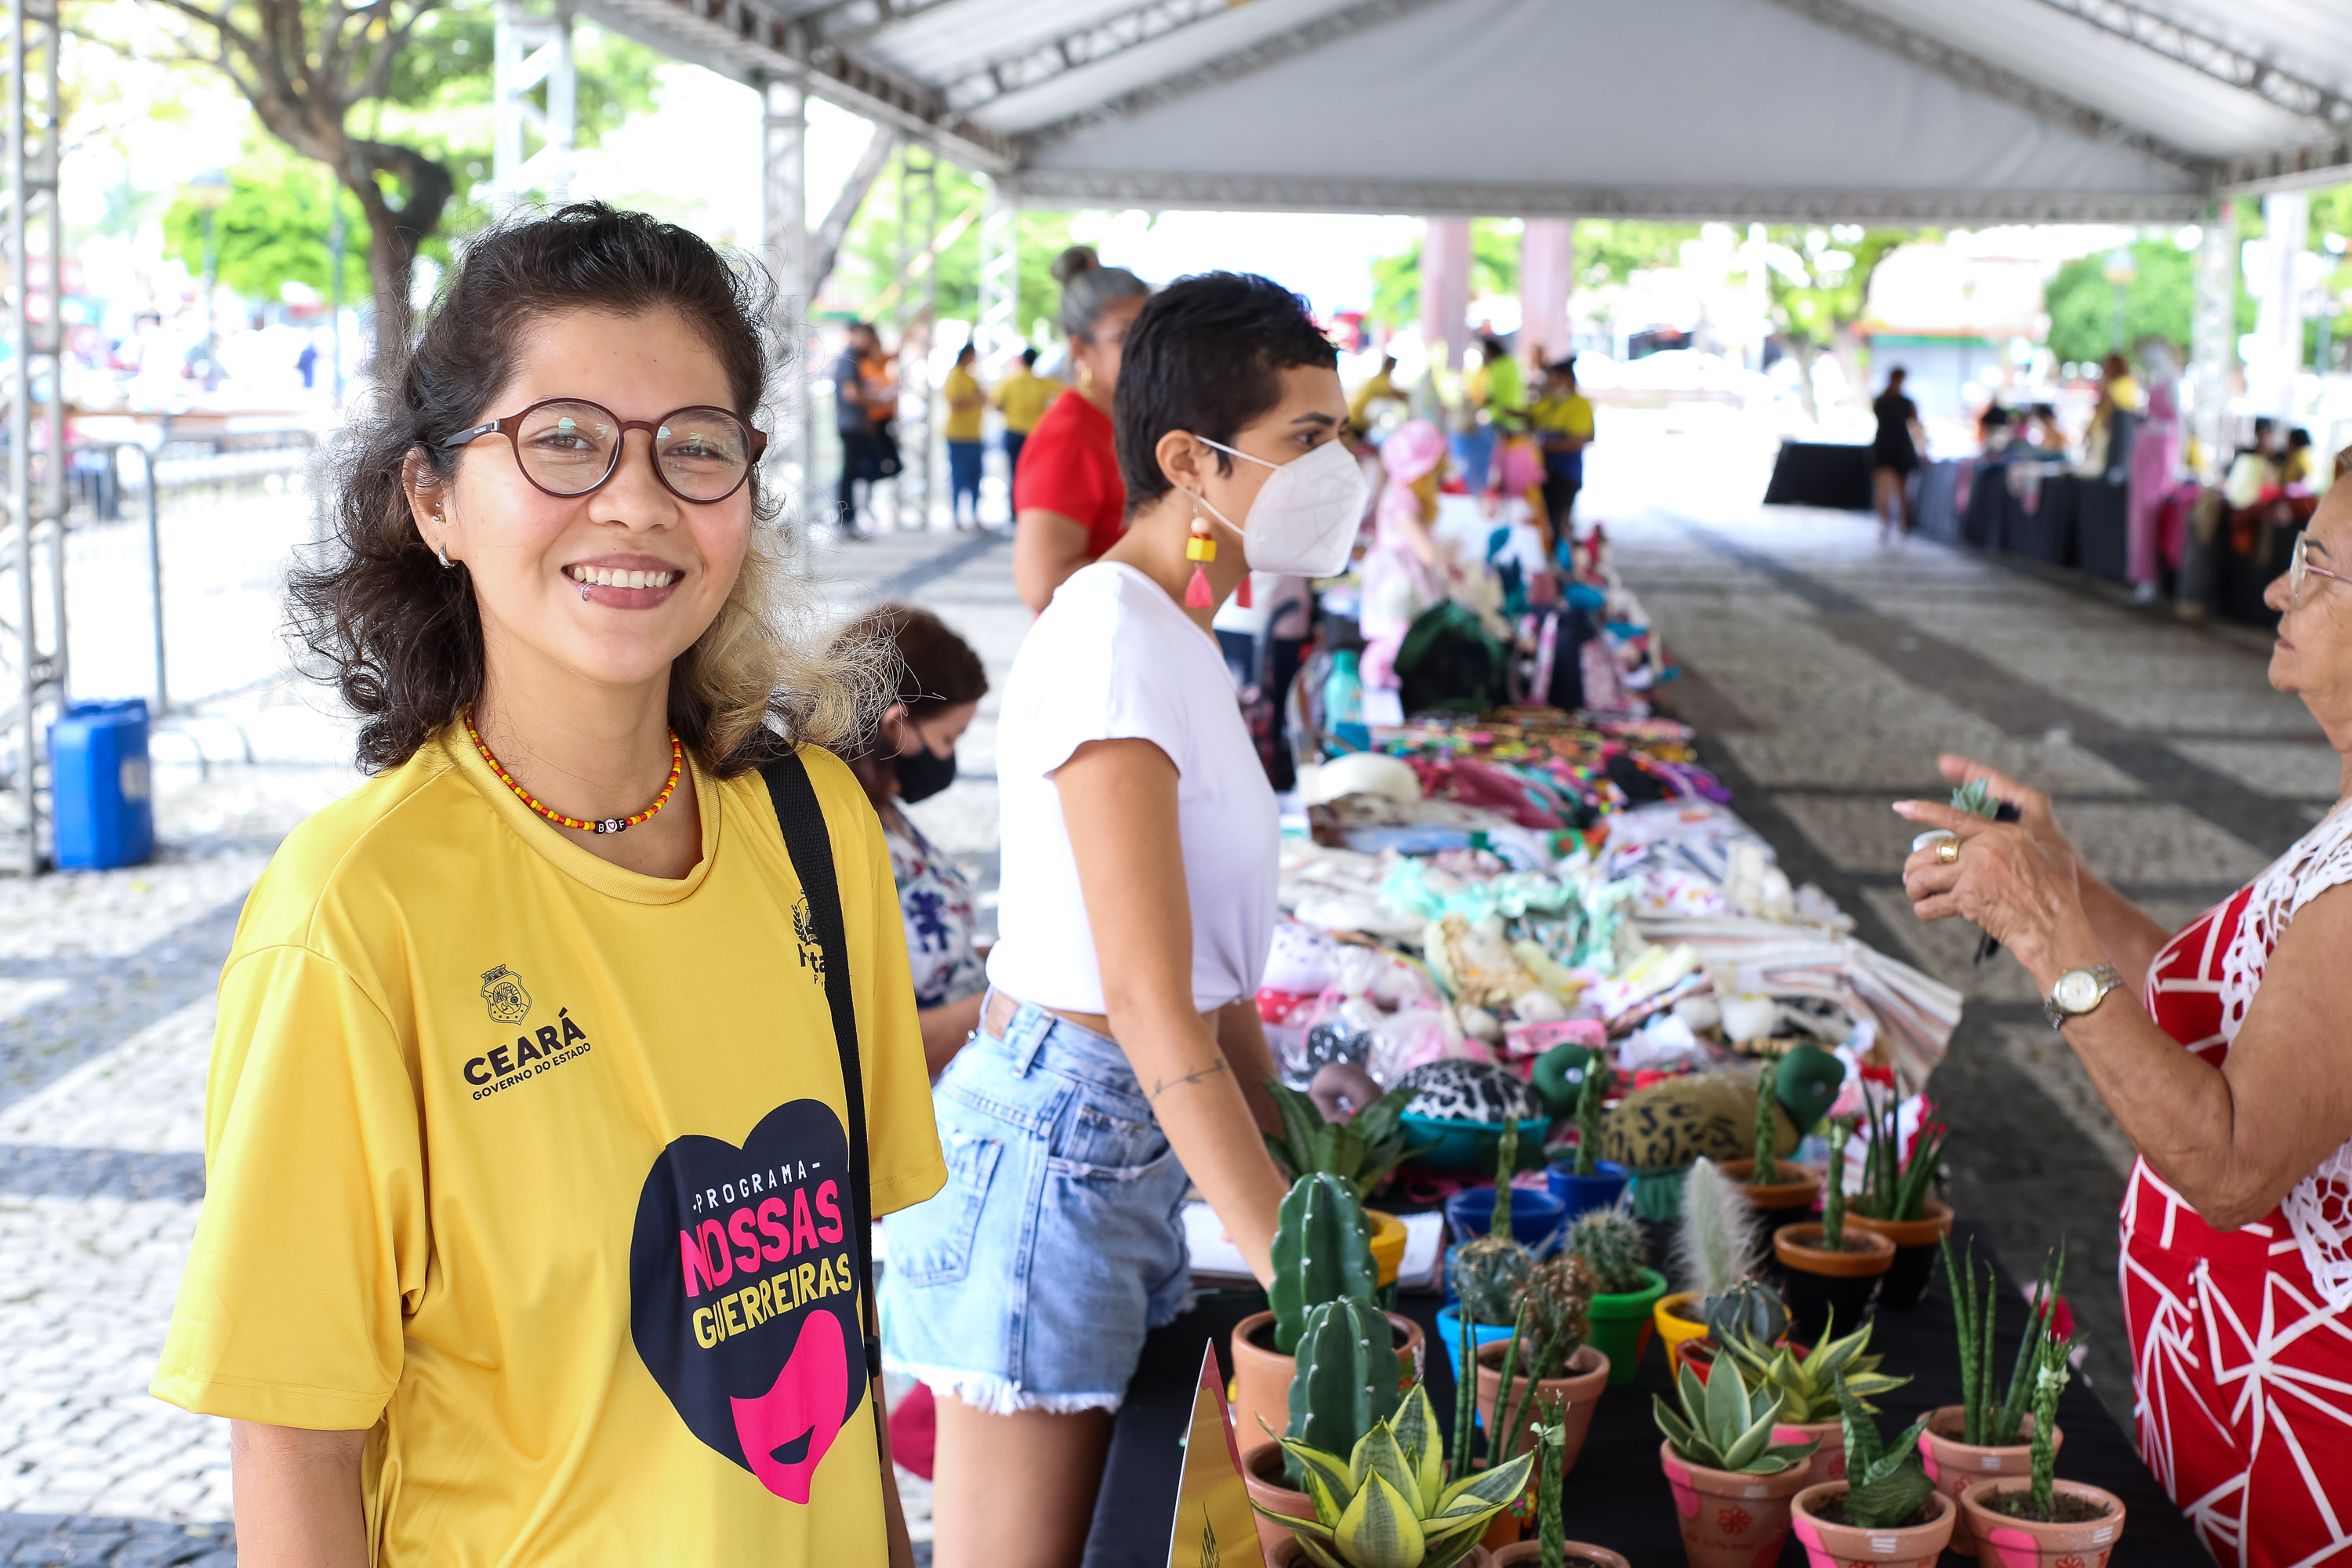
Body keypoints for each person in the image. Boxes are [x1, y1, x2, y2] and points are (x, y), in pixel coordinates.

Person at [150, 204, 942, 1566]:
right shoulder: (355, 916)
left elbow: (832, 1349)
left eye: (694, 449)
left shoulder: (815, 828)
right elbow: (294, 1448)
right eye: (562, 439)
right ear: (436, 500)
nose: (636, 501)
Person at [885, 270, 1363, 1567]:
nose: (1341, 470)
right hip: (1059, 1144)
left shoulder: (1174, 633)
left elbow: (1212, 983)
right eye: (1306, 439)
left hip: (1120, 1146)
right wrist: (1300, 1273)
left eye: (1341, 434)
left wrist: (1307, 1176)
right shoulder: (1110, 634)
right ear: (1186, 460)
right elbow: (1151, 1001)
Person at [1898, 481, 2352, 1568]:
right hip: (2236, 1403)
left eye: (2322, 566)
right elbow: (2211, 1012)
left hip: (2303, 1436)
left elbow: (2235, 1169)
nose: (2279, 584)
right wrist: (2071, 886)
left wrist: (2053, 941)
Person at [833, 602, 990, 1075]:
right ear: (897, 725)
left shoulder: (884, 806)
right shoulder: (838, 832)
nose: (949, 759)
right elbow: (881, 1044)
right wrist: (1011, 1004)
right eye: (948, 739)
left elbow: (944, 956)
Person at [1012, 246, 1150, 612]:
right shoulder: (1070, 436)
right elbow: (1042, 584)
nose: (1148, 350)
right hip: (1088, 654)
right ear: (1080, 348)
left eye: (1155, 333)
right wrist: (1163, 564)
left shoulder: (1130, 423)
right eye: (1125, 336)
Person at [1359, 418, 1451, 692]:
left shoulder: (1400, 493)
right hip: (1400, 582)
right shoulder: (1402, 498)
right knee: (1399, 636)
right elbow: (1424, 549)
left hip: (1400, 577)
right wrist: (1445, 566)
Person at [1531, 358, 1594, 539]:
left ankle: (1562, 561)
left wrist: (1539, 445)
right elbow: (1528, 416)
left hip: (1565, 473)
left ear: (1566, 380)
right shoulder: (1548, 401)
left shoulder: (1579, 404)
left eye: (1553, 378)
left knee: (1559, 522)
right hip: (1543, 471)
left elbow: (1576, 441)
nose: (1549, 383)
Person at [834, 321, 887, 536]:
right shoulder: (848, 359)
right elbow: (851, 393)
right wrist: (873, 401)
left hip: (855, 424)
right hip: (851, 424)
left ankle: (851, 517)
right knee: (851, 472)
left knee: (855, 472)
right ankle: (846, 518)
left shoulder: (856, 358)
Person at [990, 346, 1060, 479]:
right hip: (1034, 433)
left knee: (1014, 473)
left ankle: (1015, 500)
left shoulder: (1010, 381)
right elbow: (1063, 394)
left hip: (1013, 431)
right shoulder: (1043, 383)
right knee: (1031, 474)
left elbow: (996, 404)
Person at [1869, 365, 1923, 538]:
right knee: (1898, 489)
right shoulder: (1901, 402)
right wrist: (1922, 446)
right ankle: (1899, 523)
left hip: (1890, 446)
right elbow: (1916, 426)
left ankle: (1892, 522)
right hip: (1896, 446)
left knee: (1890, 489)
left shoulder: (1882, 400)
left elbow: (1915, 427)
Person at [942, 343, 986, 529]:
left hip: (974, 434)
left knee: (975, 476)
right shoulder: (955, 376)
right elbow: (955, 402)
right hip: (959, 435)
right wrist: (976, 400)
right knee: (959, 476)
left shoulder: (970, 377)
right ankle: (956, 515)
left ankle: (974, 514)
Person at [1347, 352, 1404, 437]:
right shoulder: (1380, 380)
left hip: (1361, 420)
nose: (1393, 368)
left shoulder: (1383, 379)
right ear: (1388, 364)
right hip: (1356, 419)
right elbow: (1395, 394)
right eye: (1393, 365)